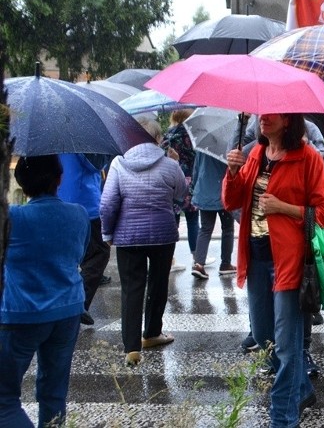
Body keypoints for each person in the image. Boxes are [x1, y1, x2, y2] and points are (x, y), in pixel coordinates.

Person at [223, 113, 324, 428]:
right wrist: (232, 173)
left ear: (289, 121)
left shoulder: (307, 158)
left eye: (274, 113)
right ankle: (302, 387)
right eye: (262, 113)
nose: (264, 118)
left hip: (289, 259)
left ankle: (282, 418)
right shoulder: (255, 153)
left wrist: (283, 207)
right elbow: (233, 201)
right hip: (256, 256)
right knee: (262, 335)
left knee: (286, 344)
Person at [0, 155, 90, 428]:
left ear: (21, 183)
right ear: (59, 179)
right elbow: (81, 254)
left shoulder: (13, 218)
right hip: (68, 310)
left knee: (4, 399)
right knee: (54, 392)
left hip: (20, 314)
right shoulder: (79, 213)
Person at [100, 118, 187, 366]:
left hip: (128, 237)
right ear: (158, 139)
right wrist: (175, 165)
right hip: (163, 234)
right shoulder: (170, 164)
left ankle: (131, 347)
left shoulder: (119, 163)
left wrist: (107, 234)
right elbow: (181, 192)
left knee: (132, 288)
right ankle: (151, 333)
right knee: (158, 284)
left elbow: (107, 204)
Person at [58, 153, 111, 326]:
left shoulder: (55, 136)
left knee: (68, 256)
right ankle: (78, 303)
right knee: (99, 253)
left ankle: (61, 303)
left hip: (59, 200)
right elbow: (96, 164)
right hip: (85, 204)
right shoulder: (84, 140)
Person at [161, 108, 200, 269]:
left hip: (170, 179)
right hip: (189, 180)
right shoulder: (191, 135)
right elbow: (195, 156)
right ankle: (197, 257)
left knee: (172, 221)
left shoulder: (168, 136)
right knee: (192, 219)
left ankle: (169, 259)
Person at [190, 152, 236, 279]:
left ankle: (199, 264)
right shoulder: (228, 147)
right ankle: (225, 264)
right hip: (224, 193)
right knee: (227, 228)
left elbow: (196, 169)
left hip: (205, 192)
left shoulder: (204, 148)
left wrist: (195, 187)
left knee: (205, 229)